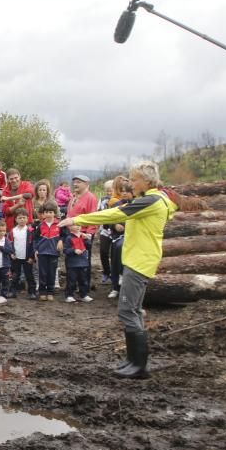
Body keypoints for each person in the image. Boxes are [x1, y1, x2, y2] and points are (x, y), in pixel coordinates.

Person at [60, 160, 176, 378]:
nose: (131, 183)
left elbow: (114, 214)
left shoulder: (150, 200)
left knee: (126, 310)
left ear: (147, 180)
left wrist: (76, 219)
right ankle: (135, 361)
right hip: (139, 258)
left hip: (139, 261)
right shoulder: (153, 199)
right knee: (134, 310)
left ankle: (138, 366)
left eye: (134, 179)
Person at [34, 202, 62, 300]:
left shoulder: (60, 225)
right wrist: (36, 250)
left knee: (52, 273)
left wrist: (61, 241)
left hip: (54, 253)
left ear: (54, 213)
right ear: (43, 214)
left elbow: (65, 236)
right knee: (42, 273)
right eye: (46, 212)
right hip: (42, 253)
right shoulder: (40, 225)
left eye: (51, 212)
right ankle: (42, 291)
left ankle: (50, 291)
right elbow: (35, 239)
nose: (49, 214)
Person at [7, 208, 37, 299]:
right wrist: (11, 253)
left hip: (27, 257)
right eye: (20, 218)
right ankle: (13, 291)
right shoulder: (13, 231)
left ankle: (32, 292)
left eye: (24, 217)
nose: (22, 220)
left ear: (27, 218)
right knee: (15, 275)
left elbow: (33, 245)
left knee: (29, 275)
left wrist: (32, 257)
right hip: (16, 257)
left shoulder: (30, 231)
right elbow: (9, 243)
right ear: (16, 219)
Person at [62, 223, 93, 303]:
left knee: (83, 280)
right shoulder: (68, 238)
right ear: (70, 227)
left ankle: (84, 295)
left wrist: (87, 239)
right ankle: (69, 295)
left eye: (79, 225)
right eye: (75, 225)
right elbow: (65, 250)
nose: (78, 227)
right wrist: (74, 250)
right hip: (72, 263)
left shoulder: (83, 236)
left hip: (83, 262)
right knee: (71, 280)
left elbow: (89, 247)